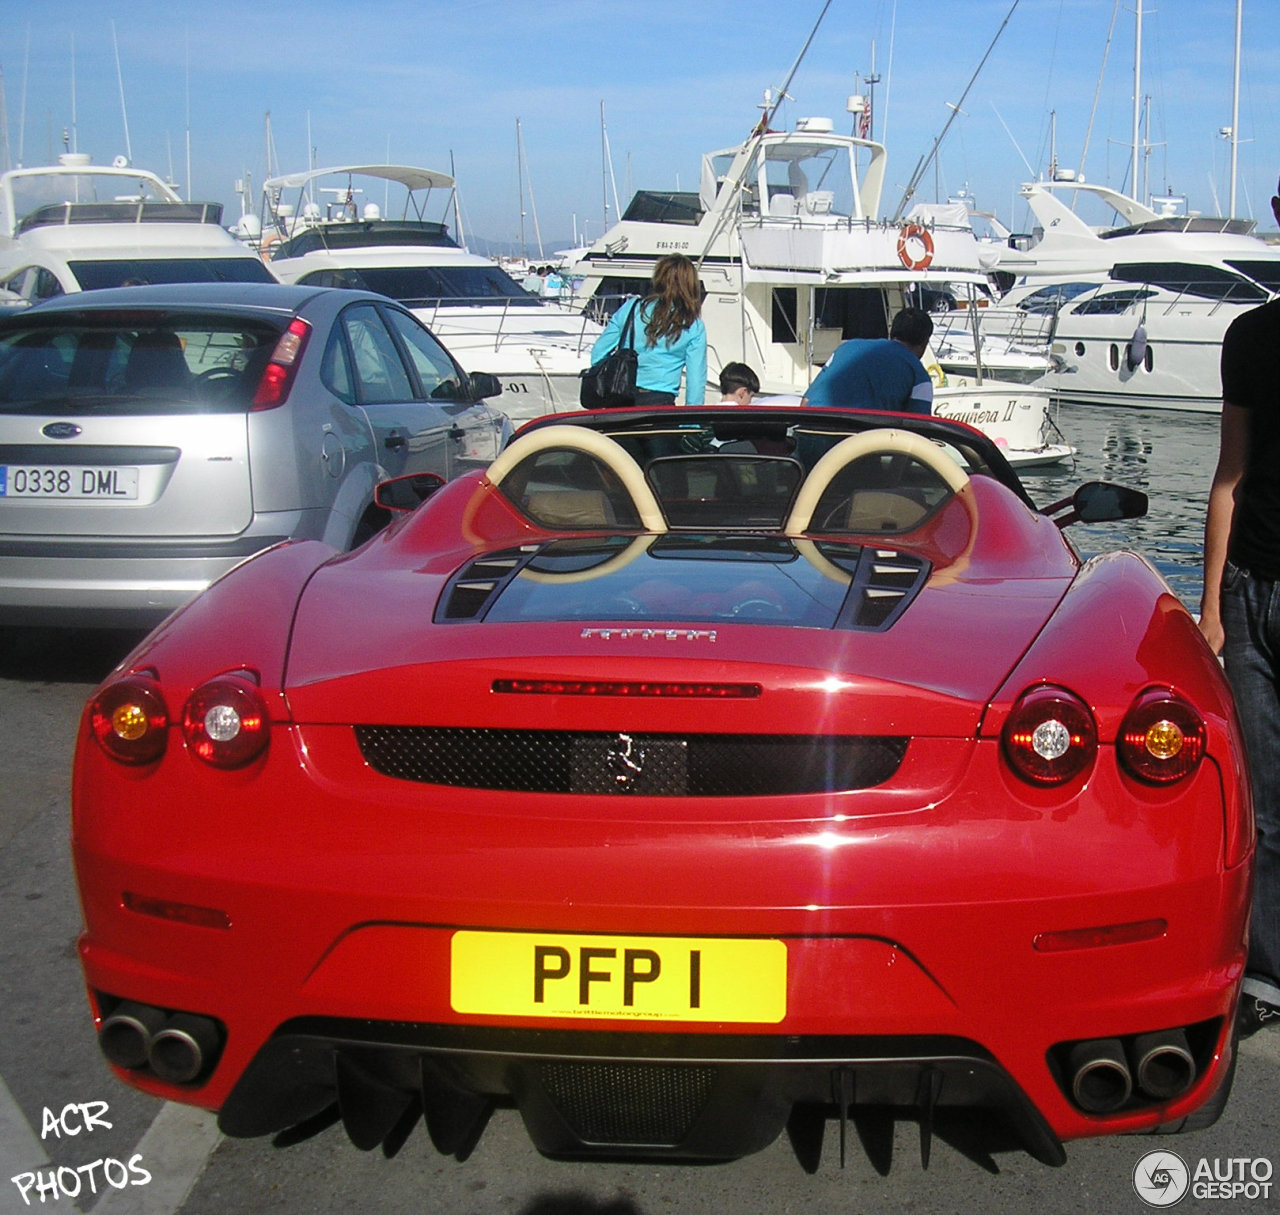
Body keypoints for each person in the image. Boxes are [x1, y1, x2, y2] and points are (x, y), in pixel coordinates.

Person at [1198, 175, 1280, 1039]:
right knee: (1264, 792)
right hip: (1255, 588)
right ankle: (1265, 969)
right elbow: (1229, 476)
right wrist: (1212, 603)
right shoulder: (1251, 336)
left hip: (1257, 589)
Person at [590, 254, 706, 405]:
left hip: (621, 398)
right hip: (660, 401)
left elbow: (598, 354)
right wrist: (692, 424)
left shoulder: (631, 308)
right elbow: (695, 383)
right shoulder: (693, 325)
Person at [801, 307, 935, 414]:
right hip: (862, 442)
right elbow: (919, 430)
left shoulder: (846, 348)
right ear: (925, 342)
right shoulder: (919, 375)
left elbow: (806, 401)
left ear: (891, 332)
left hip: (814, 431)